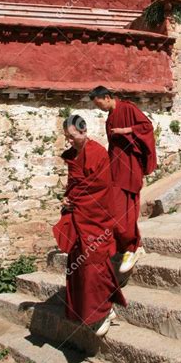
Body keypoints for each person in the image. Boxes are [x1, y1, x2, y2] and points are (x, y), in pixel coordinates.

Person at [58, 114, 126, 337]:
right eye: (66, 137)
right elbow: (74, 185)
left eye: (72, 136)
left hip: (95, 217)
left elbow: (100, 188)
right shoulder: (74, 155)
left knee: (93, 263)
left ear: (84, 131)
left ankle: (103, 311)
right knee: (77, 265)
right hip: (79, 217)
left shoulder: (96, 152)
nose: (69, 141)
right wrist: (67, 200)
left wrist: (76, 200)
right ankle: (92, 311)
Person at [89, 86, 157, 273]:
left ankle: (132, 248)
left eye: (100, 103)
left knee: (123, 209)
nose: (100, 108)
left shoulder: (127, 108)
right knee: (114, 208)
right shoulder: (110, 118)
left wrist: (126, 130)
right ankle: (130, 246)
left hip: (130, 168)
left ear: (108, 97)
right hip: (116, 168)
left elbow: (147, 127)